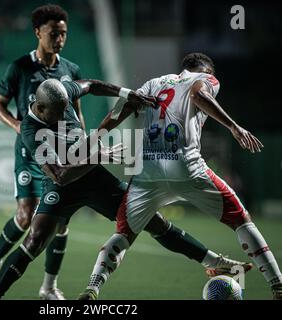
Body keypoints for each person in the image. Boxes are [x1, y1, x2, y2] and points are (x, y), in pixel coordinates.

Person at [0, 78, 251, 300]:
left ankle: (213, 262)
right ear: (41, 108)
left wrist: (125, 94)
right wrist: (98, 156)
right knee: (34, 241)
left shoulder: (60, 95)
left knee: (153, 220)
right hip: (61, 187)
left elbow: (90, 84)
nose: (64, 114)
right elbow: (60, 175)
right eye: (58, 112)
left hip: (94, 179)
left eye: (66, 107)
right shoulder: (31, 131)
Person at [78, 53, 282, 300]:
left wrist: (97, 135)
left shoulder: (155, 83)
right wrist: (233, 127)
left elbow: (126, 106)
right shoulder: (207, 79)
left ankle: (92, 289)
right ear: (207, 70)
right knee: (241, 220)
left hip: (147, 171)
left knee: (123, 234)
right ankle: (278, 285)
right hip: (187, 167)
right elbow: (198, 95)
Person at [0, 4, 84, 300]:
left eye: (63, 33)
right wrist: (15, 124)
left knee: (60, 222)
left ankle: (49, 287)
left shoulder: (71, 70)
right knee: (25, 216)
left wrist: (81, 144)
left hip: (60, 154)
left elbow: (76, 112)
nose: (59, 39)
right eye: (53, 33)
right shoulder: (20, 67)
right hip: (29, 153)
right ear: (38, 32)